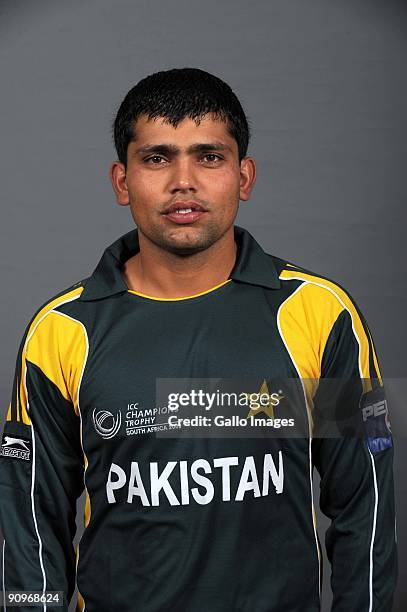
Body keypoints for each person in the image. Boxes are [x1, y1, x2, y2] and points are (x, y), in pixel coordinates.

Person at [0, 67, 397, 612]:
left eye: (209, 157)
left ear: (244, 176)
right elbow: (30, 526)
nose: (183, 181)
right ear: (122, 181)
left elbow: (365, 506)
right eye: (157, 158)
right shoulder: (62, 331)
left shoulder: (320, 314)